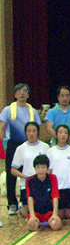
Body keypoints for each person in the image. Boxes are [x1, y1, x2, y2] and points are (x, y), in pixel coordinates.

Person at [0, 83, 42, 215]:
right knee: (11, 174)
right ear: (15, 94)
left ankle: (30, 200)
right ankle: (12, 204)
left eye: (25, 91)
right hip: (13, 145)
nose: (22, 93)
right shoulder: (8, 110)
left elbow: (38, 129)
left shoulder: (32, 111)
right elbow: (2, 127)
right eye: (19, 91)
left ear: (28, 95)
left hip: (28, 145)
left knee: (29, 172)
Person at [11, 122, 49, 217]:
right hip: (27, 184)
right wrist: (26, 177)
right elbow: (13, 170)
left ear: (38, 132)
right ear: (25, 133)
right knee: (27, 213)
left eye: (34, 131)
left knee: (42, 211)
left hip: (42, 184)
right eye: (29, 131)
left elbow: (50, 167)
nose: (31, 134)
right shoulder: (21, 148)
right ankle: (21, 206)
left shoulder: (45, 147)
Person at [47, 125, 70, 219]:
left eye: (66, 133)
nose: (63, 135)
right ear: (56, 135)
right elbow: (49, 171)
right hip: (57, 188)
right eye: (60, 132)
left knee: (69, 214)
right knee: (59, 215)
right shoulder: (51, 151)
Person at [26, 155, 62, 231]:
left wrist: (55, 214)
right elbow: (30, 198)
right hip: (36, 211)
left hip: (49, 211)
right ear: (34, 168)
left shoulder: (52, 178)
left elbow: (55, 196)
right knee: (32, 227)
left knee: (55, 225)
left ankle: (48, 221)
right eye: (38, 168)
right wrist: (32, 216)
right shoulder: (30, 180)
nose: (40, 170)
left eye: (43, 167)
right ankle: (36, 221)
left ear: (47, 168)